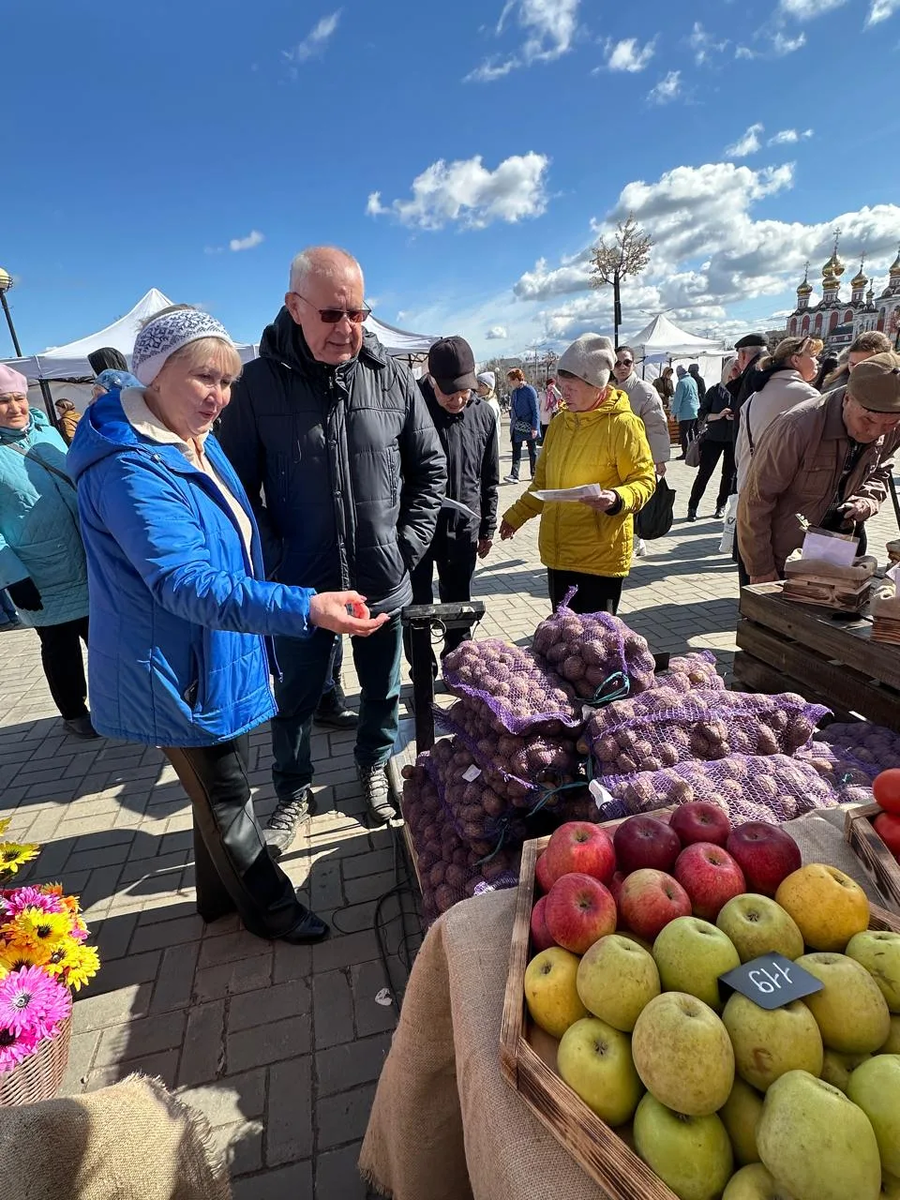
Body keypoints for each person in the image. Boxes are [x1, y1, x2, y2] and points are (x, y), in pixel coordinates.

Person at [67, 305, 389, 944]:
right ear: (154, 376)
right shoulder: (131, 465)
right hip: (171, 667)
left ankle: (217, 901)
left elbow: (234, 540)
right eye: (203, 379)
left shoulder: (192, 439)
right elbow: (182, 580)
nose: (219, 396)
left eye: (227, 380)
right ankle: (271, 909)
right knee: (226, 796)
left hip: (210, 651)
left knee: (217, 790)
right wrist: (302, 605)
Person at [217, 246, 446, 846]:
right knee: (293, 699)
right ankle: (292, 790)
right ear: (295, 307)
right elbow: (236, 491)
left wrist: (406, 546)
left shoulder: (391, 376)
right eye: (331, 314)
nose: (348, 328)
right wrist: (279, 561)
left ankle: (374, 763)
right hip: (300, 587)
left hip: (380, 578)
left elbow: (430, 467)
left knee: (382, 689)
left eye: (358, 313)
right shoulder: (256, 385)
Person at [498, 334, 655, 614]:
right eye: (561, 387)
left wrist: (617, 498)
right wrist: (515, 516)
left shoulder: (623, 425)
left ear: (596, 384)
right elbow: (542, 484)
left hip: (600, 559)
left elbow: (645, 480)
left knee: (596, 648)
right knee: (562, 644)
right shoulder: (559, 424)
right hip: (559, 557)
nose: (563, 394)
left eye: (570, 387)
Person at [737, 352, 900, 584]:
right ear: (847, 399)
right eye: (867, 420)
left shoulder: (893, 429)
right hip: (777, 556)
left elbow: (881, 471)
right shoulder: (797, 427)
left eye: (889, 424)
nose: (874, 433)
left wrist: (866, 500)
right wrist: (761, 568)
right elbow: (755, 500)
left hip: (833, 552)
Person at [0, 364, 95, 738]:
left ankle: (116, 703)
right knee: (60, 648)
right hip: (39, 574)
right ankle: (74, 712)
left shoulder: (48, 435)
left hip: (86, 559)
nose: (15, 407)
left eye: (19, 398)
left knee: (103, 641)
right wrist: (12, 575)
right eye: (3, 401)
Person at [409, 336, 498, 666]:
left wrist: (487, 526)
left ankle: (457, 664)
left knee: (459, 603)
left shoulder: (484, 415)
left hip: (463, 529)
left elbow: (489, 477)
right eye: (449, 392)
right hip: (416, 530)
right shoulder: (411, 409)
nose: (458, 399)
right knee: (416, 606)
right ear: (432, 379)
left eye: (465, 390)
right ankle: (421, 667)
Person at [734, 336, 823, 495]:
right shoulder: (810, 397)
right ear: (796, 360)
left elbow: (739, 453)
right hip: (784, 495)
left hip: (748, 488)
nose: (818, 362)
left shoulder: (754, 397)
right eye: (813, 356)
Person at [612, 346, 670, 557]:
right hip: (613, 458)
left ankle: (635, 541)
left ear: (633, 364)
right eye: (617, 363)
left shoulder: (644, 391)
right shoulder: (608, 390)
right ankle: (630, 541)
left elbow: (657, 426)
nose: (622, 367)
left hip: (639, 457)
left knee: (633, 500)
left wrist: (660, 459)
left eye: (626, 362)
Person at [687, 356, 739, 522]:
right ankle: (692, 506)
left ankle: (721, 505)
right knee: (704, 473)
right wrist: (717, 416)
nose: (732, 379)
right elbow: (701, 413)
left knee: (728, 475)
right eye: (730, 375)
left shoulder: (743, 390)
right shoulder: (715, 390)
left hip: (733, 439)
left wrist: (736, 417)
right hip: (713, 438)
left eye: (736, 375)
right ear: (725, 373)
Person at [822, 331, 892, 393]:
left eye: (864, 365)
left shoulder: (893, 387)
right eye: (852, 364)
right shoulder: (836, 388)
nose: (855, 370)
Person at [503, 368, 539, 483]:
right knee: (516, 450)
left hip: (529, 425)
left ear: (517, 379)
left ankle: (534, 473)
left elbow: (535, 410)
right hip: (517, 425)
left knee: (532, 451)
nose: (510, 383)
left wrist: (535, 427)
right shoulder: (514, 392)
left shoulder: (530, 390)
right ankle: (514, 475)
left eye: (511, 381)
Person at [671, 366, 700, 457]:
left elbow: (677, 400)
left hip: (685, 412)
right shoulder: (692, 380)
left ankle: (685, 453)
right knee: (692, 432)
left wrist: (673, 413)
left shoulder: (681, 383)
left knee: (684, 434)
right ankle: (693, 451)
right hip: (695, 410)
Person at [538, 376, 562, 443]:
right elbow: (538, 405)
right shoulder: (542, 394)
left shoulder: (555, 394)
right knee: (545, 433)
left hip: (553, 415)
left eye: (553, 384)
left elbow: (560, 397)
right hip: (544, 416)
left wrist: (554, 388)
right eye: (550, 384)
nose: (551, 386)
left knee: (554, 433)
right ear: (547, 385)